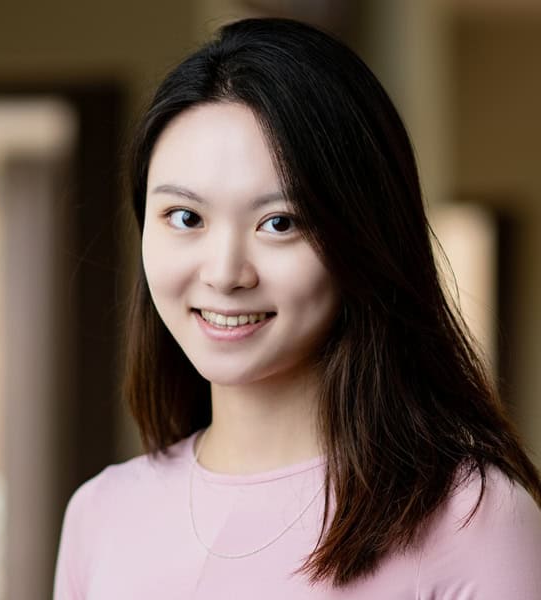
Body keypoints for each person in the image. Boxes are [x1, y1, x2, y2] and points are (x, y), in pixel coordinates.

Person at [53, 17, 541, 599]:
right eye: (186, 218)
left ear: (363, 238)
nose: (225, 272)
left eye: (279, 223)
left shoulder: (471, 517)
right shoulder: (103, 513)